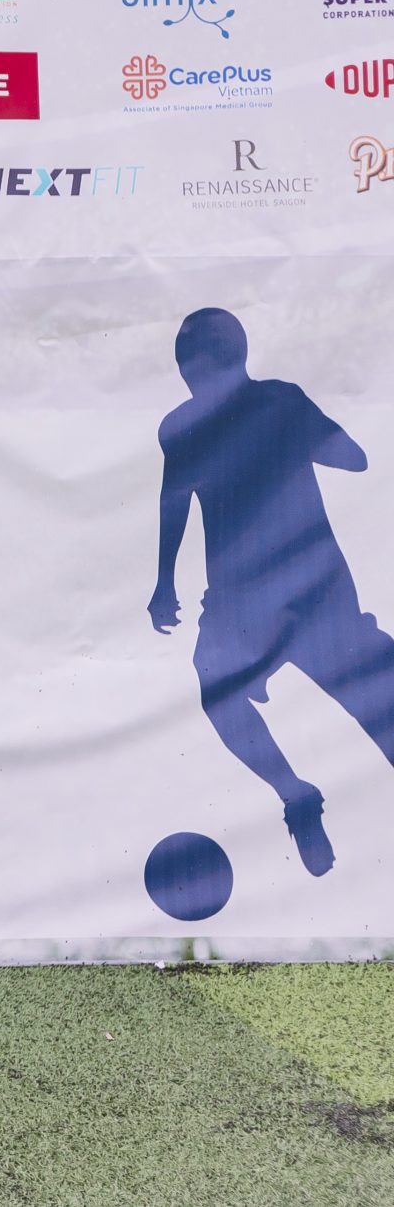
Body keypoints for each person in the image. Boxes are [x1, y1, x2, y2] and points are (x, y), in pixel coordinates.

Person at [149, 305, 391, 877]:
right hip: (291, 596)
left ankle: (293, 793)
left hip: (283, 597)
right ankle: (295, 794)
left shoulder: (201, 422)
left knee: (370, 700)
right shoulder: (272, 404)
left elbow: (174, 503)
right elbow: (352, 458)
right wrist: (163, 580)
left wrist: (164, 582)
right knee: (231, 691)